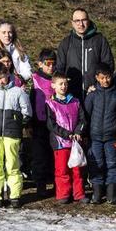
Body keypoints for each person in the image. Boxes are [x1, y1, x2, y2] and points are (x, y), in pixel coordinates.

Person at [0, 63, 32, 208]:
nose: (0, 81)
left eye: (2, 78)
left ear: (8, 74)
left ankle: (14, 195)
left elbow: (27, 111)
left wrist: (18, 123)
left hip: (12, 133)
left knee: (13, 163)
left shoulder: (18, 92)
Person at [83, 63, 116, 205]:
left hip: (111, 138)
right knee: (96, 164)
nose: (105, 81)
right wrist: (84, 134)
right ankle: (97, 193)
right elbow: (85, 116)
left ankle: (111, 193)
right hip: (94, 137)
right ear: (97, 78)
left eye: (107, 77)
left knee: (112, 164)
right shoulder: (92, 95)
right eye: (102, 78)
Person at [46, 72, 86, 204]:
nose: (63, 86)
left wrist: (78, 132)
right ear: (53, 85)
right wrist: (66, 134)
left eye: (65, 84)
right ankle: (63, 194)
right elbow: (51, 124)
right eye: (60, 84)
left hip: (75, 142)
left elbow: (82, 119)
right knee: (62, 169)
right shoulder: (51, 103)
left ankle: (79, 194)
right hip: (60, 142)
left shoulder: (75, 101)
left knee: (77, 169)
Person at [56, 9, 114, 98]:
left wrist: (98, 86)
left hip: (96, 94)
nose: (81, 24)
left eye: (84, 20)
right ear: (72, 23)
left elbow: (108, 65)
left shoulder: (100, 40)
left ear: (88, 21)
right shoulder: (66, 43)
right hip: (72, 95)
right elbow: (59, 69)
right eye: (77, 21)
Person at [28, 49, 58, 195]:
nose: (51, 66)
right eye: (48, 63)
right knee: (39, 155)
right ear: (40, 64)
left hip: (54, 124)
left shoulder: (57, 80)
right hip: (39, 122)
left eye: (53, 63)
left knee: (53, 154)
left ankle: (54, 182)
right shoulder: (34, 79)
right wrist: (29, 122)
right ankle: (40, 184)